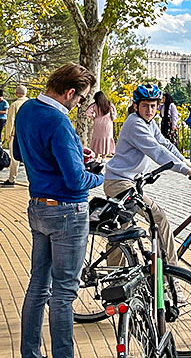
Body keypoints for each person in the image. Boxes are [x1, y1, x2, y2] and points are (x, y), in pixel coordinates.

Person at [13, 63, 104, 358]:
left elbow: (18, 152)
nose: (80, 104)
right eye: (80, 98)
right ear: (68, 92)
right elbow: (76, 180)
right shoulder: (59, 122)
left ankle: (30, 353)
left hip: (38, 207)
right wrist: (102, 174)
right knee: (64, 293)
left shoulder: (27, 109)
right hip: (67, 212)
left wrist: (76, 152)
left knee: (38, 286)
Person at [104, 84, 191, 269]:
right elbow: (157, 152)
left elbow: (166, 145)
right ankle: (171, 276)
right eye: (145, 105)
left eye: (153, 106)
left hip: (128, 184)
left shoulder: (149, 123)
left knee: (122, 230)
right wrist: (186, 171)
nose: (150, 110)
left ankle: (115, 274)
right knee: (158, 219)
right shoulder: (135, 124)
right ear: (136, 106)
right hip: (120, 184)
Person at [2, 85, 28, 186]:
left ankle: (12, 179)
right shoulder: (32, 104)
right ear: (26, 93)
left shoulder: (14, 105)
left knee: (15, 158)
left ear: (17, 94)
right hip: (29, 135)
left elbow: (10, 121)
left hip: (16, 135)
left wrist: (7, 135)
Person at [85, 91, 117, 161]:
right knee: (106, 139)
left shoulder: (95, 105)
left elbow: (87, 112)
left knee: (97, 139)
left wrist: (94, 118)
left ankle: (96, 157)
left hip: (98, 124)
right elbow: (114, 115)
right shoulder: (109, 104)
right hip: (107, 125)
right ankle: (103, 158)